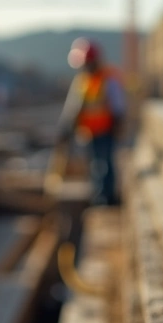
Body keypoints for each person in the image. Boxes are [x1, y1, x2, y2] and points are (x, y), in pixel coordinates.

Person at [57, 38, 126, 206]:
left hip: (106, 131)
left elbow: (118, 107)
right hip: (89, 132)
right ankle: (99, 196)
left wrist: (118, 126)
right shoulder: (82, 81)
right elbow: (73, 107)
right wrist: (65, 128)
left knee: (105, 164)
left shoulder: (108, 79)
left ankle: (106, 197)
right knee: (95, 165)